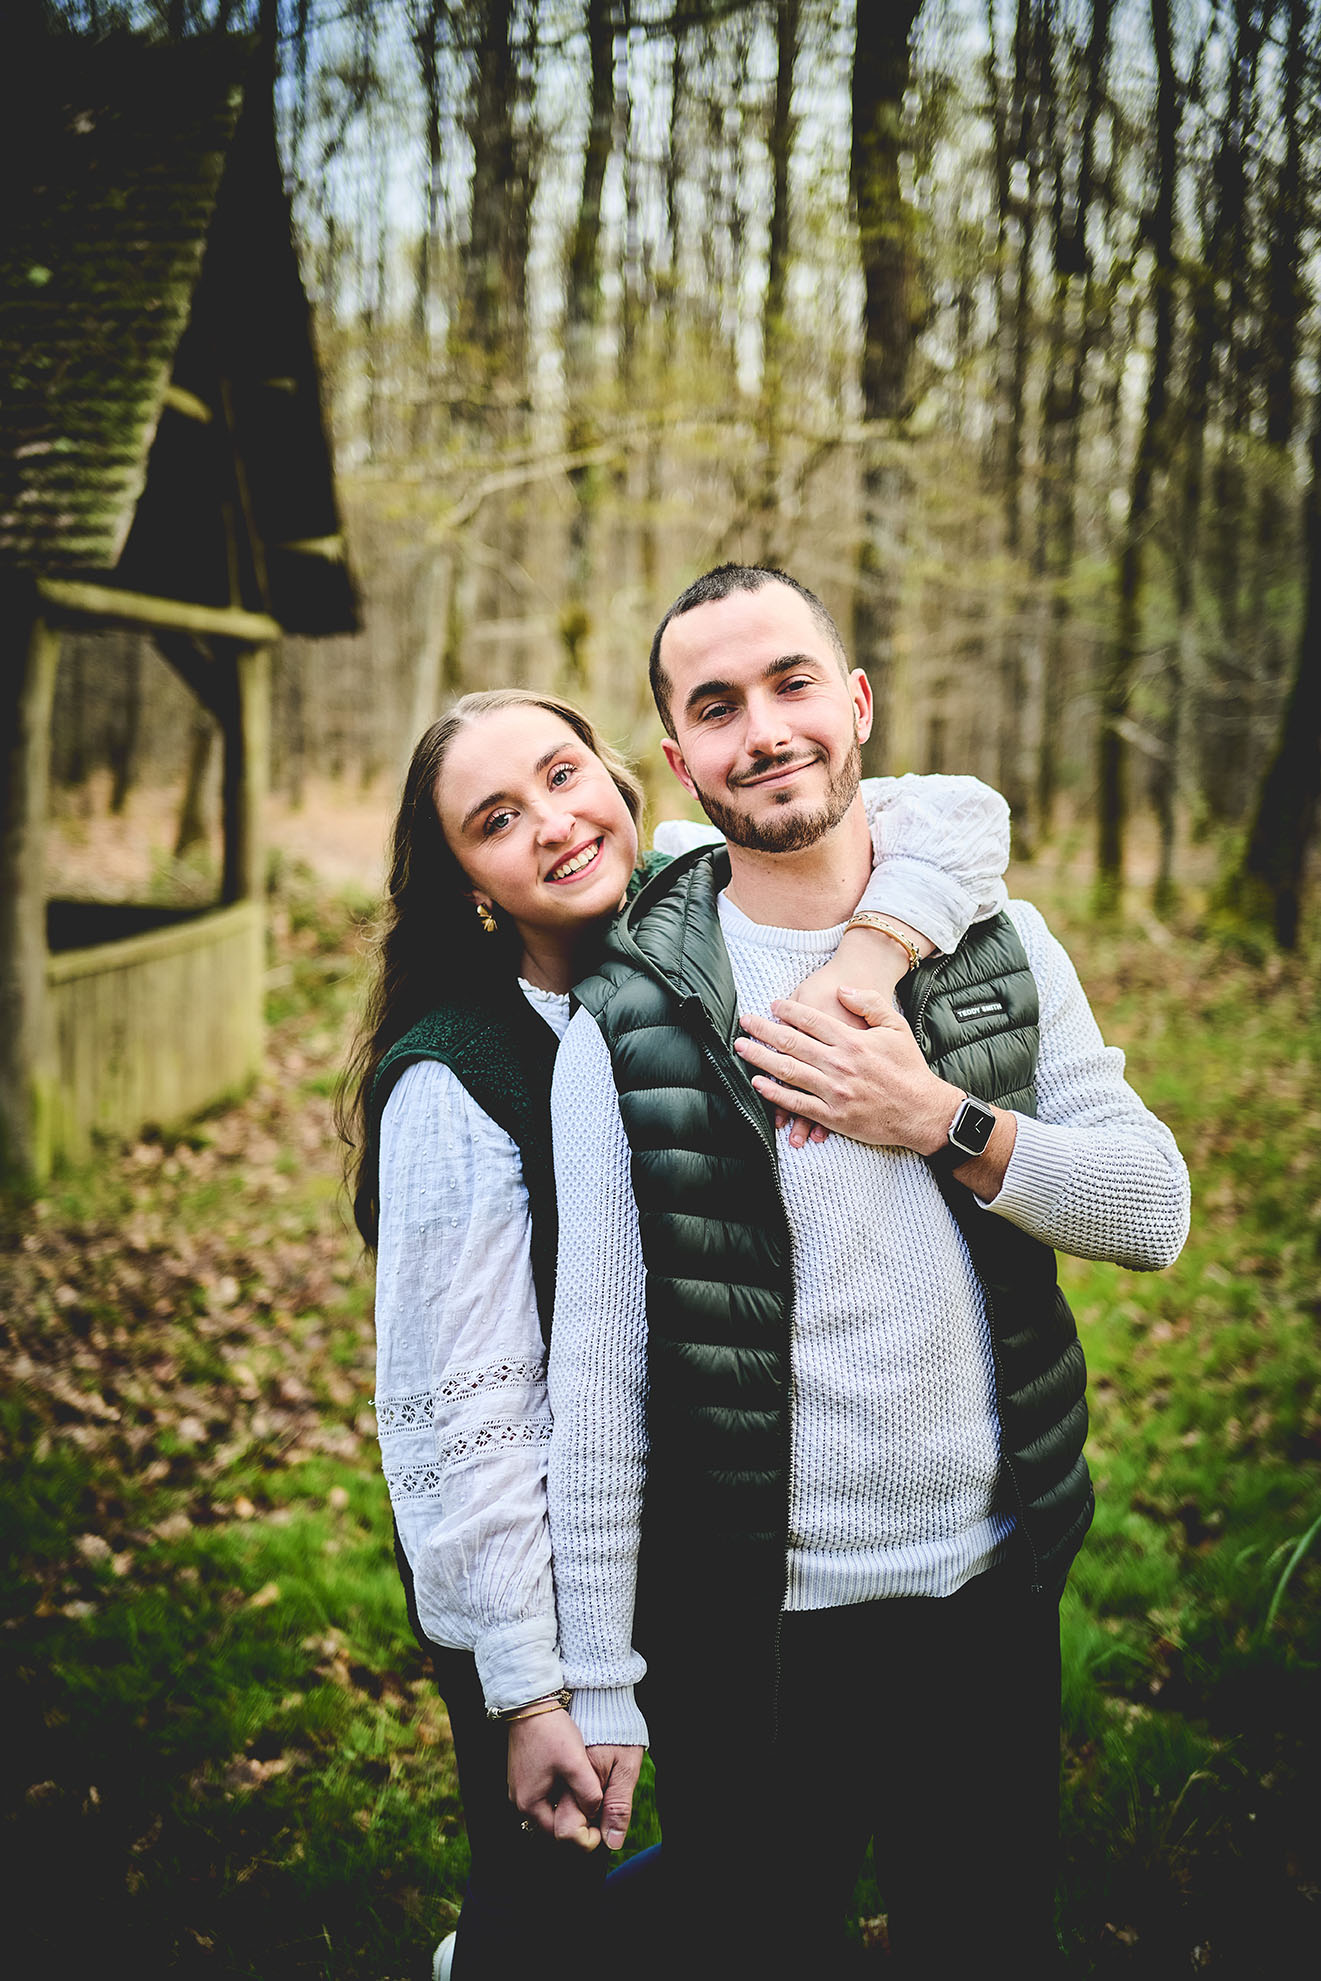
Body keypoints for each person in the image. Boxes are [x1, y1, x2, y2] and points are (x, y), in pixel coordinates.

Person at [542, 566, 1192, 1979]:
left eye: (791, 685)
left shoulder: (998, 947)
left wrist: (939, 1120)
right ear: (679, 759)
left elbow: (1155, 1211)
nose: (764, 730)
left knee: (987, 1942)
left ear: (856, 703)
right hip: (752, 1637)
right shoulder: (631, 1019)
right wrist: (598, 1678)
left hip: (989, 1591)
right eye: (717, 706)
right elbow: (596, 1378)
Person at [339, 684, 1013, 1979]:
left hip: (687, 1538)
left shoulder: (695, 896)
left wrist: (869, 955)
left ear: (618, 774)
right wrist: (530, 1685)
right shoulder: (457, 1071)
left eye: (561, 774)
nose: (552, 823)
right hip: (533, 1567)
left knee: (743, 1861)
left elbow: (960, 815)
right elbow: (468, 1411)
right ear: (468, 885)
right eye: (495, 819)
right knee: (548, 1883)